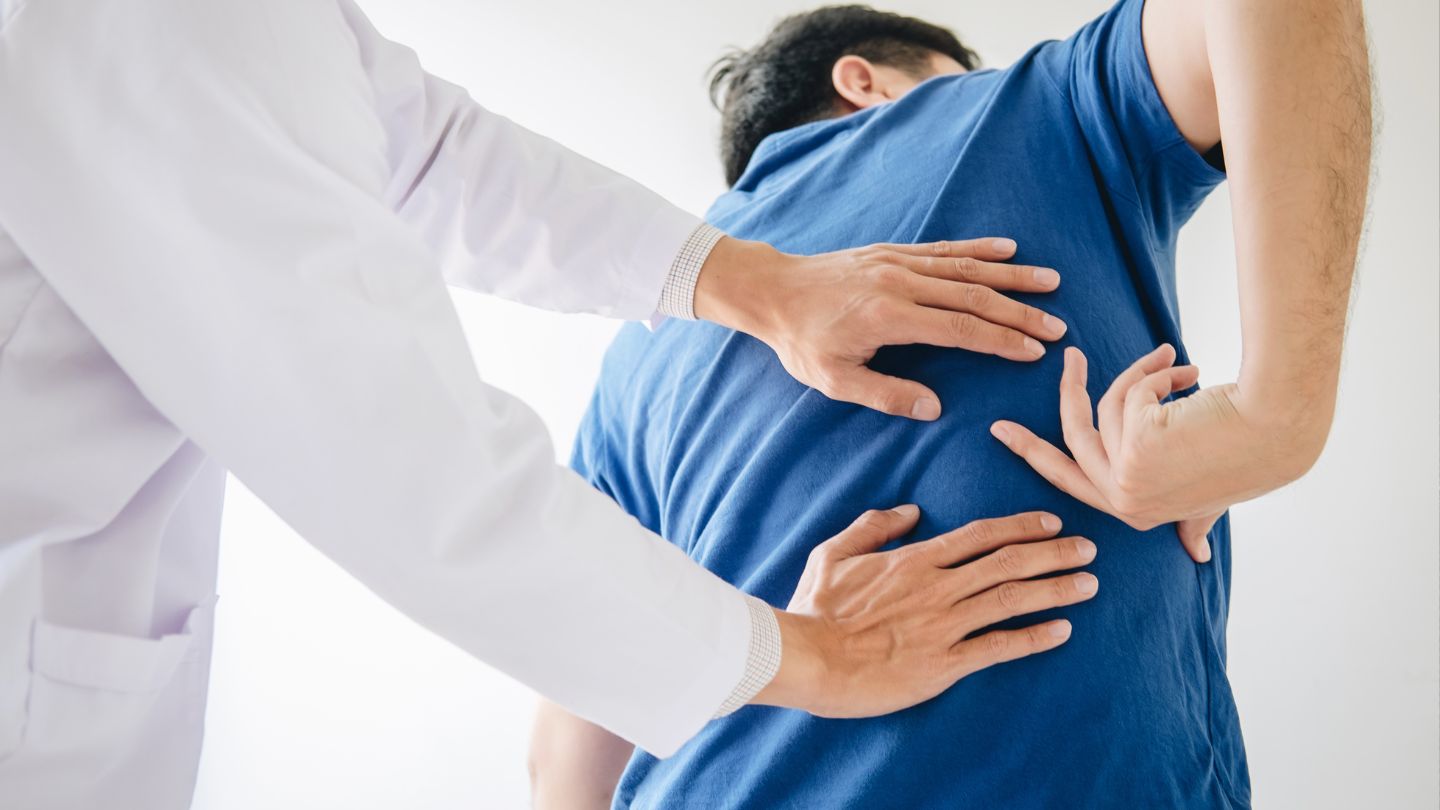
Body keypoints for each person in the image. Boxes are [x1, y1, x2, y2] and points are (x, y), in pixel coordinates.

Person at [0, 1, 1094, 808]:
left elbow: (432, 155)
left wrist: (752, 284)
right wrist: (816, 657)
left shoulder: (641, 368)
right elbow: (402, 463)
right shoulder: (156, 26)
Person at [530, 0, 1370, 807]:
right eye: (960, 69)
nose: (977, 78)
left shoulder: (637, 356)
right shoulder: (1023, 109)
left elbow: (566, 764)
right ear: (864, 80)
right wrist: (1276, 419)